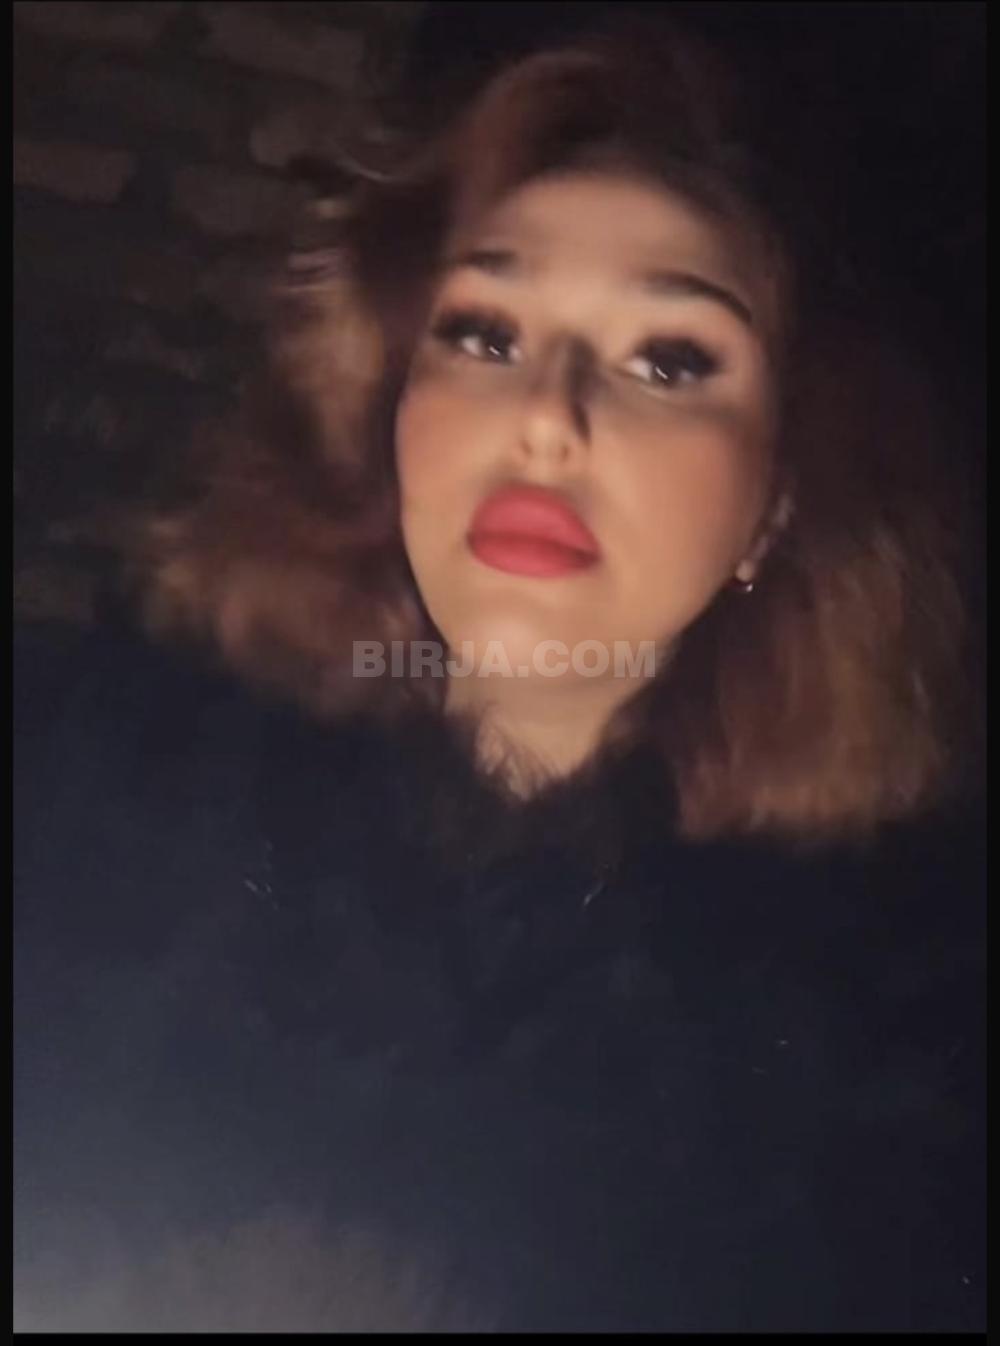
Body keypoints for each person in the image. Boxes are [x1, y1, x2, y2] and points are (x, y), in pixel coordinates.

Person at [14, 12, 984, 1332]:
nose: (545, 413)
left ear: (775, 505)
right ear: (389, 408)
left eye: (669, 358)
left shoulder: (915, 1069)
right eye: (482, 331)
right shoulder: (75, 801)